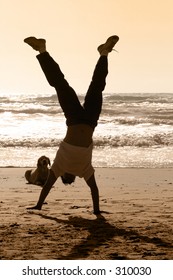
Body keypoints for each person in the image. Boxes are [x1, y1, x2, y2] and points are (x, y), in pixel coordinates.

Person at [24, 35, 119, 214]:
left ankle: (42, 50)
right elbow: (94, 190)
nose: (68, 175)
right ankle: (104, 53)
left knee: (61, 85)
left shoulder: (59, 166)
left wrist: (38, 205)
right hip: (90, 120)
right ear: (72, 177)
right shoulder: (84, 170)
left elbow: (47, 187)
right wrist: (97, 210)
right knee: (96, 86)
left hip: (75, 118)